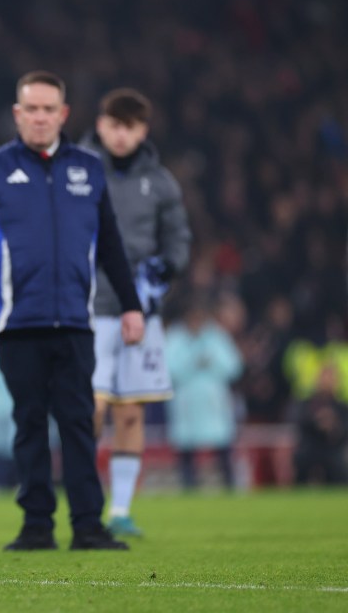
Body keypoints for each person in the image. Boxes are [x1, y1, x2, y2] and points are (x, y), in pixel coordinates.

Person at [0, 70, 143, 551]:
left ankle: (88, 526)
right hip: (17, 324)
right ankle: (36, 526)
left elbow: (113, 248)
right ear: (18, 114)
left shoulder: (89, 168)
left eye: (48, 109)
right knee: (29, 424)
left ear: (63, 114)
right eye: (30, 109)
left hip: (76, 324)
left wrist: (132, 306)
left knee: (80, 424)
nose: (39, 117)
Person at [79, 88, 191, 537]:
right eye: (113, 125)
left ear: (143, 130)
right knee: (90, 408)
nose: (121, 135)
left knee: (130, 413)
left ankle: (120, 511)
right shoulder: (78, 168)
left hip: (140, 312)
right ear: (101, 124)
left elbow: (178, 242)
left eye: (130, 127)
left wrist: (156, 282)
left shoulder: (161, 182)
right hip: (88, 307)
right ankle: (84, 505)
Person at [165, 297, 243, 490]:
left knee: (222, 447)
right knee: (186, 449)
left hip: (213, 402)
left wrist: (212, 364)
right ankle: (188, 487)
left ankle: (230, 486)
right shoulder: (175, 337)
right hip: (187, 402)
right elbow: (167, 369)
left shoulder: (217, 336)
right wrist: (193, 363)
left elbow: (234, 367)